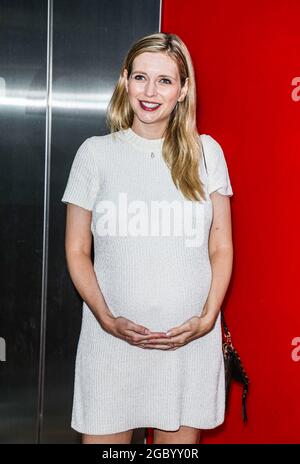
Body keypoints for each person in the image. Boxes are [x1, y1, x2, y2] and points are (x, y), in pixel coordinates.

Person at [61, 32, 234, 445]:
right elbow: (77, 249)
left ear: (183, 89)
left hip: (186, 344)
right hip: (110, 345)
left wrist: (208, 316)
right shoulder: (95, 153)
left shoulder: (207, 153)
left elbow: (221, 245)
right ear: (125, 80)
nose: (150, 91)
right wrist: (105, 317)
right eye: (141, 77)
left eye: (165, 80)